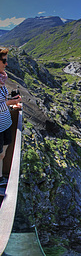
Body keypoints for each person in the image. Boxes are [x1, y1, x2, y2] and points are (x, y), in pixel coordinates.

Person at [0, 48, 22, 183]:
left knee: (3, 152)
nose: (6, 64)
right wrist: (11, 102)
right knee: (0, 154)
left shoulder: (2, 80)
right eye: (3, 61)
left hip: (5, 123)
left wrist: (11, 105)